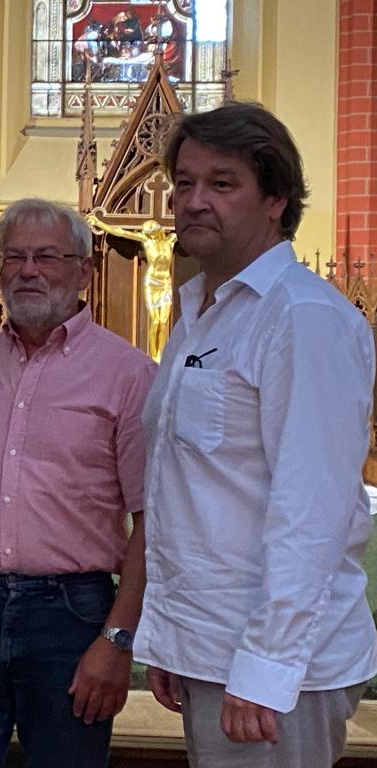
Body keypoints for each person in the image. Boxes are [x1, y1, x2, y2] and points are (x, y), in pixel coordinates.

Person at [137, 101, 377, 767]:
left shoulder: (302, 317)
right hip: (211, 647)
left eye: (222, 183)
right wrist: (173, 640)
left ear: (275, 200)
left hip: (276, 671)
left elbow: (312, 512)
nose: (194, 201)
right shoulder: (200, 315)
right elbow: (187, 494)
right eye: (185, 182)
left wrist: (265, 668)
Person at [0, 198, 156, 768]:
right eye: (14, 256)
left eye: (47, 256)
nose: (27, 270)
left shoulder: (128, 373)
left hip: (68, 615)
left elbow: (153, 522)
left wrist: (118, 639)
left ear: (84, 270)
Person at [86, 214, 177, 361]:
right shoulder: (146, 241)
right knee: (155, 321)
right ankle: (153, 355)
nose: (148, 234)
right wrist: (99, 223)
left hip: (165, 282)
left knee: (164, 320)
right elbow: (121, 232)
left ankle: (161, 354)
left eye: (150, 232)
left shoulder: (170, 240)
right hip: (152, 283)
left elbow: (189, 229)